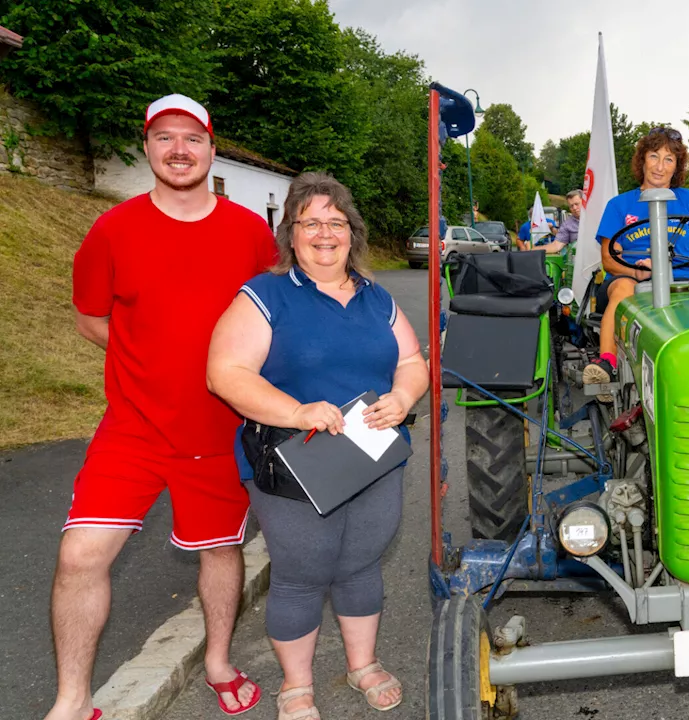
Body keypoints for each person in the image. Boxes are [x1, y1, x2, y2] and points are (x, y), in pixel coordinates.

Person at [50, 94, 273, 720]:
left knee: (220, 550)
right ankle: (73, 702)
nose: (180, 149)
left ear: (210, 146)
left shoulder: (249, 231)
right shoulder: (114, 229)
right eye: (165, 138)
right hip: (135, 428)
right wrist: (149, 356)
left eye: (192, 138)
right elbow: (90, 316)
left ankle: (219, 661)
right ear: (147, 147)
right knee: (79, 556)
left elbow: (275, 316)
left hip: (221, 430)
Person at [207, 172, 428, 719]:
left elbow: (411, 363)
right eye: (311, 223)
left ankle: (363, 665)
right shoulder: (266, 294)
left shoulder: (376, 298)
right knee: (302, 570)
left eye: (336, 223)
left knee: (361, 563)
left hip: (371, 456)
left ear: (352, 233)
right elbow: (226, 372)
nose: (324, 233)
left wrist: (402, 398)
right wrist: (296, 411)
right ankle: (297, 685)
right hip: (293, 460)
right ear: (291, 233)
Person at [582, 127, 689, 389]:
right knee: (623, 289)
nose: (660, 166)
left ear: (677, 167)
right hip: (629, 280)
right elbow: (609, 259)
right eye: (654, 156)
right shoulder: (619, 205)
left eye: (669, 159)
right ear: (642, 159)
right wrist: (637, 273)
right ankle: (607, 363)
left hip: (681, 280)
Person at [539, 188, 583, 255]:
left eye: (577, 204)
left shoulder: (598, 217)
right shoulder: (567, 225)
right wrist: (533, 249)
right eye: (571, 206)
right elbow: (556, 245)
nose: (574, 208)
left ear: (584, 202)